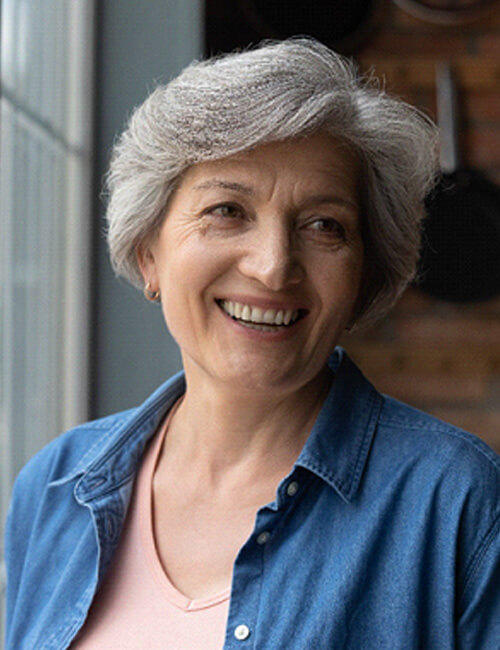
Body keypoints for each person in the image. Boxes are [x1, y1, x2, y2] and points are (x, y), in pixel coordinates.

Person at [5, 38, 500, 650]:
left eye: (324, 225)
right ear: (148, 252)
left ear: (364, 276)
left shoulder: (458, 501)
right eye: (227, 209)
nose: (273, 267)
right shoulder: (54, 485)